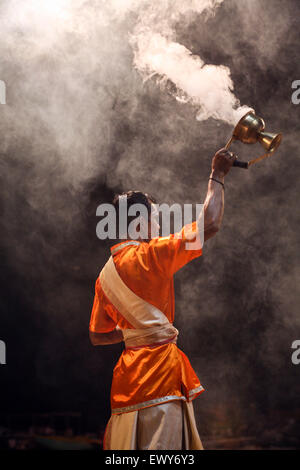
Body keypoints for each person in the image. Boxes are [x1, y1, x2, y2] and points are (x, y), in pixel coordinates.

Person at [89, 148, 236, 450]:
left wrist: (136, 332)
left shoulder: (103, 277)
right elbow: (210, 224)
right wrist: (217, 176)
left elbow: (97, 336)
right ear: (140, 223)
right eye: (155, 219)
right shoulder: (153, 254)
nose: (158, 227)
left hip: (126, 384)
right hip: (160, 380)